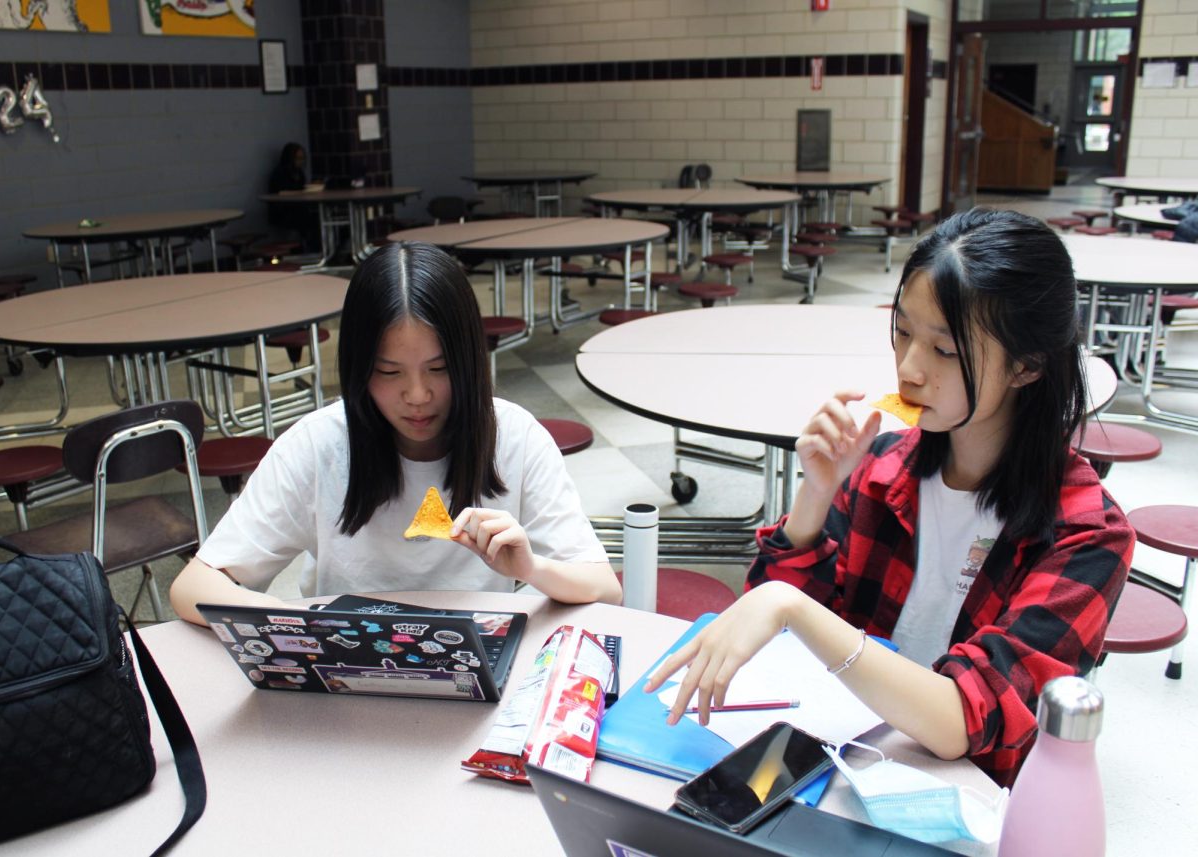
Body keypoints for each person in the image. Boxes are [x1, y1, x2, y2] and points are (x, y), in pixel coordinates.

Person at [644, 209, 1133, 787]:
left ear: (1027, 366)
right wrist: (815, 496)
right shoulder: (883, 464)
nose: (908, 369)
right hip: (836, 764)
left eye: (944, 351)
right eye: (902, 332)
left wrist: (792, 606)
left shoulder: (1087, 534)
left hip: (963, 798)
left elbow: (962, 722)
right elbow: (776, 633)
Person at [171, 241, 621, 626]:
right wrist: (292, 622)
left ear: (469, 361)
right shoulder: (319, 444)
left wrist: (532, 567)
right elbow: (194, 585)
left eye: (439, 369)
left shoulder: (514, 437)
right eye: (388, 372)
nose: (418, 395)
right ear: (358, 369)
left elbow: (604, 589)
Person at [266, 142, 318, 251]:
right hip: (283, 212)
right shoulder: (280, 173)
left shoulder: (299, 173)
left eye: (303, 158)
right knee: (310, 220)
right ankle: (309, 249)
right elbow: (281, 193)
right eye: (298, 158)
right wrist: (301, 193)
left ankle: (313, 248)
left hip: (297, 209)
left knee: (315, 217)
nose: (301, 162)